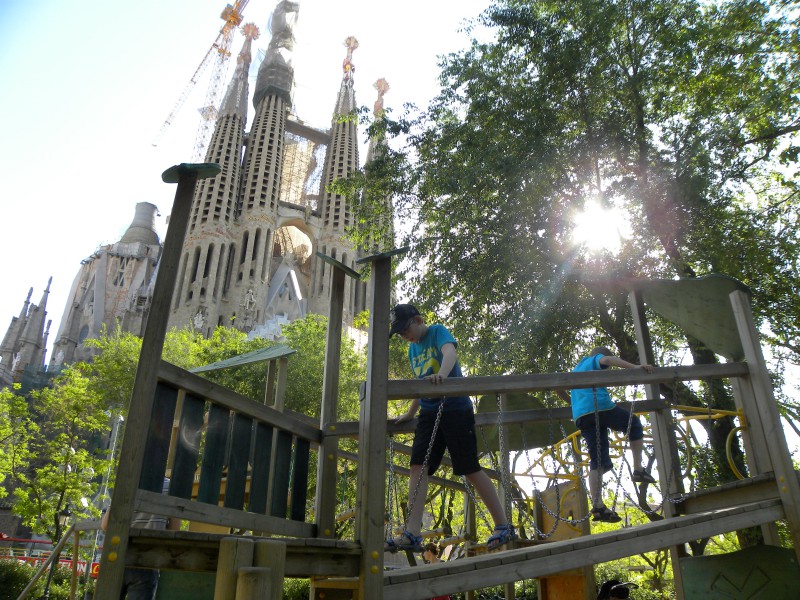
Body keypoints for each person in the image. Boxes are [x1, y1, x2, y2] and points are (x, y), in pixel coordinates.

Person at [384, 304, 516, 552]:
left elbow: (450, 353)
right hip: (428, 412)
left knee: (469, 468)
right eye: (400, 334)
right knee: (417, 467)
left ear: (418, 319)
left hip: (455, 409)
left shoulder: (436, 332)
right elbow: (419, 383)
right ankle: (412, 533)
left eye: (405, 329)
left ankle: (502, 525)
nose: (405, 336)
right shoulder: (413, 350)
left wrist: (443, 376)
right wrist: (410, 413)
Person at [571, 347, 656, 523]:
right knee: (633, 424)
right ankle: (638, 469)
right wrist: (635, 367)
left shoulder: (576, 369)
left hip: (581, 416)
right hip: (600, 407)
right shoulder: (593, 361)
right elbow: (608, 361)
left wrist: (576, 405)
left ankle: (598, 506)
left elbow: (558, 389)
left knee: (598, 462)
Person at [101, 477, 180, 599]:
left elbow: (105, 525)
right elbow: (174, 530)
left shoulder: (128, 482)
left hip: (118, 556)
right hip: (148, 559)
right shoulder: (170, 487)